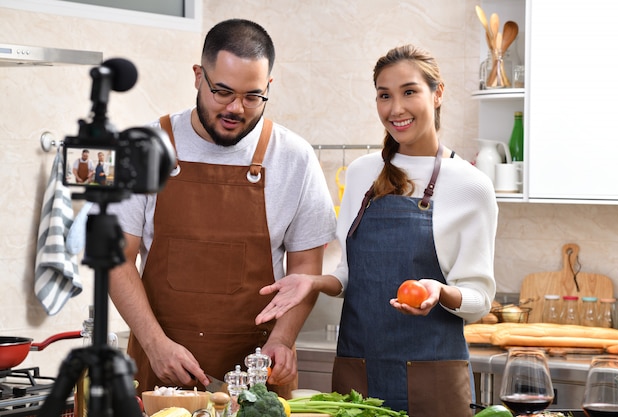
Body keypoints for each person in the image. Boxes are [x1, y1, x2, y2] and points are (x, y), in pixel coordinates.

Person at [255, 44, 498, 416]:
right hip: (358, 373)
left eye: (409, 92)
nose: (395, 108)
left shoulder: (471, 185)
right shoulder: (361, 174)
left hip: (435, 379)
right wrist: (314, 283)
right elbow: (351, 276)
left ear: (438, 94)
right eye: (384, 95)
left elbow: (479, 297)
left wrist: (439, 292)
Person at [107, 18, 336, 395]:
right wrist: (154, 344)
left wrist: (283, 339)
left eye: (252, 96)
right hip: (160, 371)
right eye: (222, 92)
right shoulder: (144, 148)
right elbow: (118, 259)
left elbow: (306, 270)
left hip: (257, 375)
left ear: (268, 88)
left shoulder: (294, 157)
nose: (236, 108)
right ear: (198, 76)